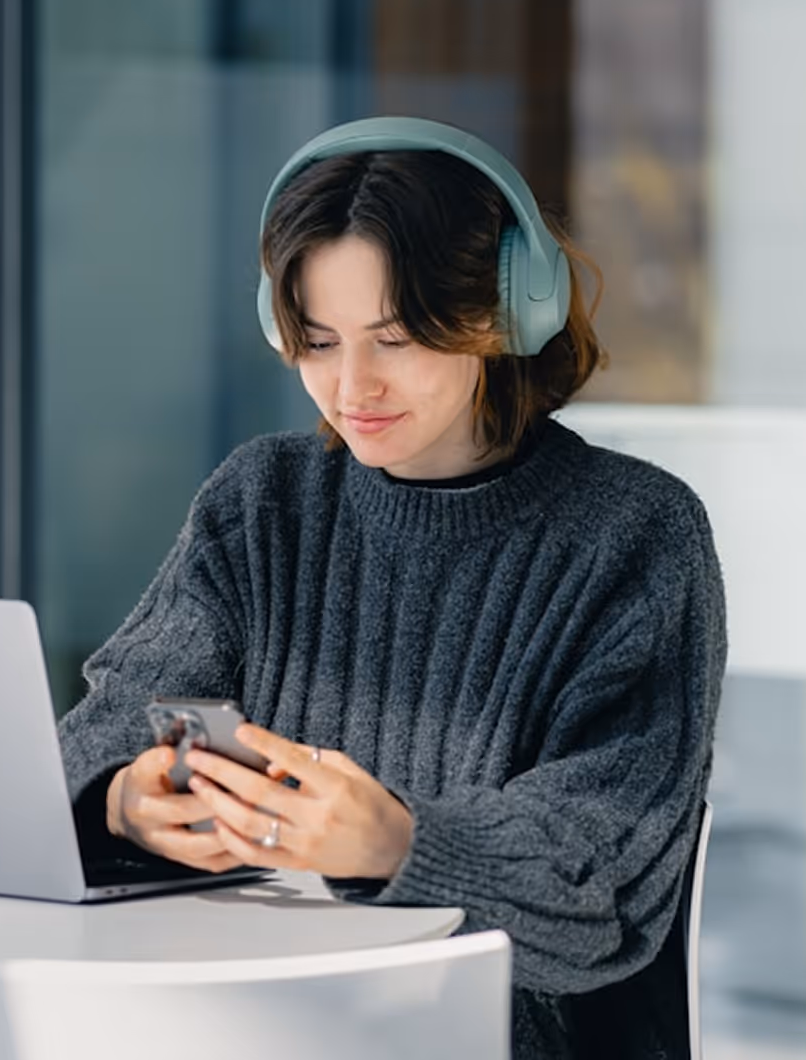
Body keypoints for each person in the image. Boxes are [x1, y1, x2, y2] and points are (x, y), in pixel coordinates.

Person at [58, 117, 726, 1060]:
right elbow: (106, 728)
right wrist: (124, 805)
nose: (351, 386)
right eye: (318, 343)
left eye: (397, 337)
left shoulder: (637, 534)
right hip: (238, 1012)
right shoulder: (265, 502)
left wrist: (397, 844)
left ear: (505, 312)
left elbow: (603, 878)